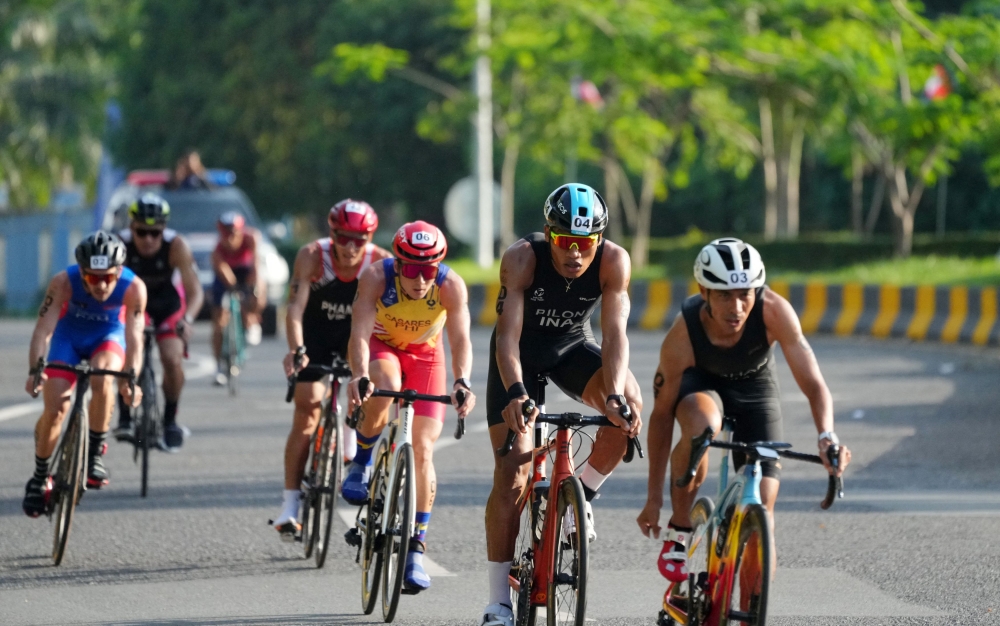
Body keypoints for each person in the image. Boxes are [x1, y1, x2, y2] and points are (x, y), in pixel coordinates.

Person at [636, 238, 852, 589]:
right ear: (704, 291)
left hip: (756, 389)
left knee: (763, 510)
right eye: (724, 295)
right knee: (704, 427)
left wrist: (827, 436)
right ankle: (680, 528)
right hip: (701, 387)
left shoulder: (774, 311)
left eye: (745, 294)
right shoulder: (683, 334)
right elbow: (661, 416)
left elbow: (814, 384)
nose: (736, 307)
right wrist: (653, 499)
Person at [480, 183, 643, 626]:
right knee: (513, 470)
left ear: (598, 241)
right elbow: (508, 338)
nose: (575, 253)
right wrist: (515, 391)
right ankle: (497, 602)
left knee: (628, 402)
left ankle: (579, 496)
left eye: (585, 243)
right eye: (565, 242)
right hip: (519, 356)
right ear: (550, 235)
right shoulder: (522, 258)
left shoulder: (614, 262)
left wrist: (612, 395)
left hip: (571, 347)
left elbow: (614, 335)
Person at [347, 221, 476, 592]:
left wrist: (462, 380)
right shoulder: (375, 277)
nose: (421, 280)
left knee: (422, 449)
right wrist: (359, 375)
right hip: (383, 347)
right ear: (398, 264)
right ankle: (362, 460)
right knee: (385, 388)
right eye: (413, 269)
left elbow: (460, 337)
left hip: (426, 356)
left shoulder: (450, 286)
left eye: (429, 270)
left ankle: (416, 548)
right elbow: (358, 333)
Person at [272, 199, 391, 539]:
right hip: (317, 334)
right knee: (307, 407)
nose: (351, 246)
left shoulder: (380, 261)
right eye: (343, 237)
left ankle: (351, 434)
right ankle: (290, 504)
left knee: (365, 386)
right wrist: (297, 350)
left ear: (369, 237)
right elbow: (294, 308)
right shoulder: (312, 256)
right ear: (331, 233)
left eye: (360, 238)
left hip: (354, 336)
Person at [22, 231, 146, 517]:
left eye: (107, 278)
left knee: (105, 378)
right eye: (92, 278)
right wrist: (36, 369)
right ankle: (40, 477)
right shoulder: (63, 282)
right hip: (68, 338)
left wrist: (131, 379)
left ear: (118, 272)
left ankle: (94, 454)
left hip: (108, 336)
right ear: (81, 272)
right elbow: (43, 331)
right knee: (55, 410)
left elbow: (135, 338)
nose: (101, 285)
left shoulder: (133, 287)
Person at [114, 193, 204, 450]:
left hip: (167, 306)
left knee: (172, 359)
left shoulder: (176, 246)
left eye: (155, 233)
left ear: (163, 230)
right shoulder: (120, 245)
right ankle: (124, 416)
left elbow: (195, 291)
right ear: (131, 227)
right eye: (142, 232)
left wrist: (187, 319)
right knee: (131, 351)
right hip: (133, 306)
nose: (149, 239)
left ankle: (170, 420)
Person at [211, 210, 264, 385]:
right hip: (225, 275)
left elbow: (256, 264)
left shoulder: (251, 239)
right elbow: (222, 269)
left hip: (245, 270)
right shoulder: (217, 250)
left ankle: (251, 320)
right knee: (219, 320)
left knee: (259, 289)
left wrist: (252, 289)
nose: (230, 239)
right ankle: (219, 364)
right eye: (226, 234)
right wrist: (233, 287)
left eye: (233, 234)